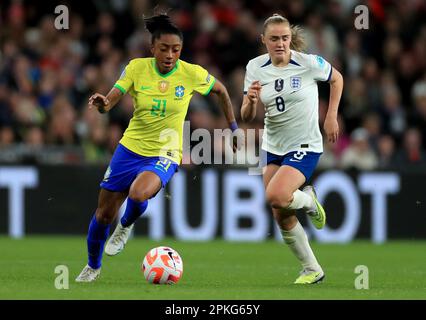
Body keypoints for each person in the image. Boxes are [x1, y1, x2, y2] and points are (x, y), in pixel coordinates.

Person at [76, 14, 242, 282]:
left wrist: (233, 128)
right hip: (130, 148)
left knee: (139, 194)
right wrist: (103, 104)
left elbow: (222, 91)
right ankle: (93, 266)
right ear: (152, 48)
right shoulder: (136, 68)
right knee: (104, 213)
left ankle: (125, 226)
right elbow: (112, 99)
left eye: (175, 50)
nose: (170, 55)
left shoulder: (191, 73)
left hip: (165, 152)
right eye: (164, 49)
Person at [241, 14, 343, 284]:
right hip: (272, 145)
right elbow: (247, 115)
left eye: (285, 38)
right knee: (280, 211)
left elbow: (337, 79)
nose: (281, 43)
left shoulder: (307, 63)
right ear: (264, 40)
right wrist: (250, 101)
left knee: (276, 195)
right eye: (274, 38)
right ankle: (312, 269)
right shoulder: (255, 67)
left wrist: (331, 115)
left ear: (290, 39)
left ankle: (309, 200)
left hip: (305, 144)